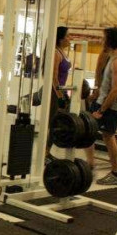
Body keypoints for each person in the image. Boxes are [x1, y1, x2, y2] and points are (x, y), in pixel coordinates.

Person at [90, 27, 117, 185]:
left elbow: (115, 90)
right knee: (97, 134)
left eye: (103, 38)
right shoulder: (113, 58)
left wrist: (101, 110)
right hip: (104, 103)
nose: (101, 41)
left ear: (109, 40)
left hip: (110, 107)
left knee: (105, 136)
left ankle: (114, 173)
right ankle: (92, 165)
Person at [46, 26, 71, 160]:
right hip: (54, 92)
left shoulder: (62, 52)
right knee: (52, 123)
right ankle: (45, 152)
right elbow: (53, 77)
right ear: (61, 39)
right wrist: (60, 95)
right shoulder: (56, 53)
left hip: (60, 91)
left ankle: (47, 151)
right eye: (67, 36)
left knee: (56, 124)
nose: (69, 39)